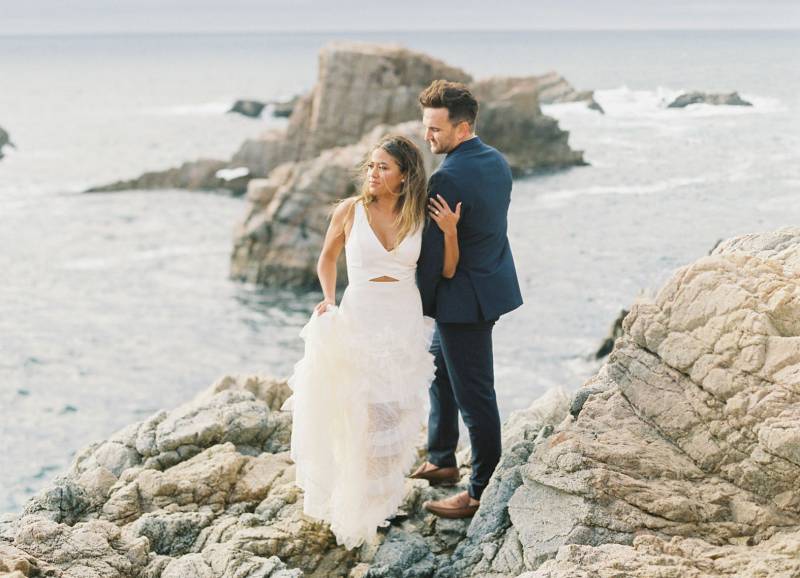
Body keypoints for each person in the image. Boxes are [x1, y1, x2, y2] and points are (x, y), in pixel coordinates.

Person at [282, 134, 461, 549]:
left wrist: (450, 232)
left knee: (395, 414)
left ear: (404, 176)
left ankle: (383, 501)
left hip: (402, 317)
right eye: (371, 166)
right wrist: (328, 300)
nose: (373, 173)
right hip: (360, 315)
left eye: (384, 167)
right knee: (359, 412)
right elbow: (327, 257)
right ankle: (357, 500)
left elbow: (448, 271)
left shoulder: (419, 215)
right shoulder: (350, 211)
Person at [412, 80, 523, 519]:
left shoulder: (448, 177)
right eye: (425, 127)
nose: (427, 136)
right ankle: (442, 459)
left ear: (461, 129)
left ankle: (480, 491)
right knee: (439, 371)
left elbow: (437, 260)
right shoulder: (497, 162)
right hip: (491, 285)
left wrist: (417, 301)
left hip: (463, 303)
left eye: (435, 129)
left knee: (476, 397)